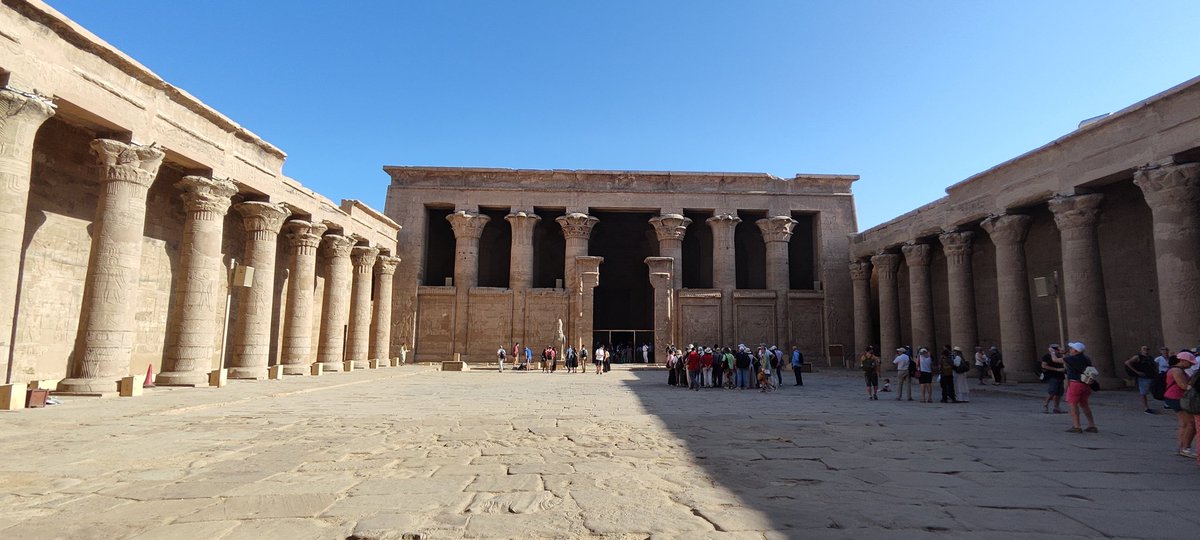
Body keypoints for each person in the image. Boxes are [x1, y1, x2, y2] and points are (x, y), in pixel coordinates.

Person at [1164, 352, 1197, 458]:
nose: (1191, 365)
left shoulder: (1174, 369)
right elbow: (1183, 386)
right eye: (1190, 363)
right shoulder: (1177, 371)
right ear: (1182, 361)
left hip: (1172, 398)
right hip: (1177, 398)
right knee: (1191, 424)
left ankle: (1182, 447)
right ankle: (1186, 448)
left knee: (1184, 424)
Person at [1062, 342, 1098, 433]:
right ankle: (1091, 425)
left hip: (1075, 383)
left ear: (1076, 350)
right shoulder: (1086, 358)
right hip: (1085, 383)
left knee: (1073, 405)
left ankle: (1076, 426)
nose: (1070, 350)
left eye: (1071, 349)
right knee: (1084, 405)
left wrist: (1052, 352)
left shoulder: (1071, 359)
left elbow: (1056, 360)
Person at [1124, 345, 1159, 414]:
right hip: (1143, 377)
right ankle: (1146, 408)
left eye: (1147, 349)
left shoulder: (1150, 357)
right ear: (1141, 350)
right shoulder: (1137, 357)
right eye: (1144, 349)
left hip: (1151, 376)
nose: (1146, 350)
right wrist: (1137, 372)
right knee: (1143, 393)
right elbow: (1127, 362)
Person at [1041, 344, 1066, 414]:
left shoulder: (1059, 356)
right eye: (1058, 349)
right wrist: (1057, 369)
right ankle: (1045, 405)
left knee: (1059, 393)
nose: (1059, 350)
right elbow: (1044, 365)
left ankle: (1056, 407)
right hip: (1052, 376)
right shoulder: (1047, 356)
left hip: (1060, 376)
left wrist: (1061, 351)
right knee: (1052, 391)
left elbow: (1064, 353)